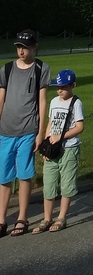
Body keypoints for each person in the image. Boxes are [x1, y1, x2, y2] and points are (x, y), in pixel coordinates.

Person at [0, 30, 51, 237]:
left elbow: (42, 101)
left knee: (24, 174)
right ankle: (1, 219)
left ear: (34, 47)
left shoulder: (40, 68)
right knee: (3, 176)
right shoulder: (7, 69)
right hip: (6, 130)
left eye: (26, 47)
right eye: (19, 47)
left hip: (28, 129)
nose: (22, 51)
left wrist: (40, 133)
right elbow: (1, 99)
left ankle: (22, 217)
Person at [32, 69, 84, 234]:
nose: (60, 90)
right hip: (53, 149)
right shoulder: (54, 101)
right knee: (49, 184)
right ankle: (47, 218)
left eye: (63, 87)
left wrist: (61, 136)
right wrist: (47, 145)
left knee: (67, 184)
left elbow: (80, 127)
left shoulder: (76, 103)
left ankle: (61, 217)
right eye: (57, 87)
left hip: (69, 148)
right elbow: (50, 122)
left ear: (72, 85)